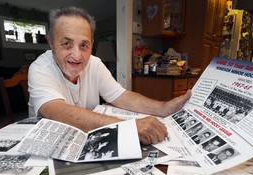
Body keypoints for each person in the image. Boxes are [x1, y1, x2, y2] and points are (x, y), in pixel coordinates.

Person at [28, 6, 191, 145]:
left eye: (84, 45)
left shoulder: (95, 63)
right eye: (66, 44)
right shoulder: (40, 68)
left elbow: (121, 96)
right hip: (48, 145)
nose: (77, 56)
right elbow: (57, 112)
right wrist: (130, 127)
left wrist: (163, 107)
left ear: (92, 44)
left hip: (86, 139)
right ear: (51, 42)